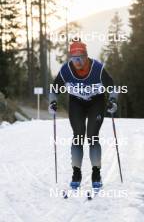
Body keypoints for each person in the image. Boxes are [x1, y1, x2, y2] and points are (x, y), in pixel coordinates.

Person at [49, 39, 118, 189]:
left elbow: (112, 86)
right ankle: (76, 172)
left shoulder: (97, 68)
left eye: (80, 57)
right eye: (74, 58)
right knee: (78, 135)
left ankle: (96, 173)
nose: (77, 61)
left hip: (96, 101)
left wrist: (113, 100)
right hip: (76, 102)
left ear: (86, 56)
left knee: (92, 135)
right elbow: (54, 89)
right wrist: (52, 103)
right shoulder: (66, 69)